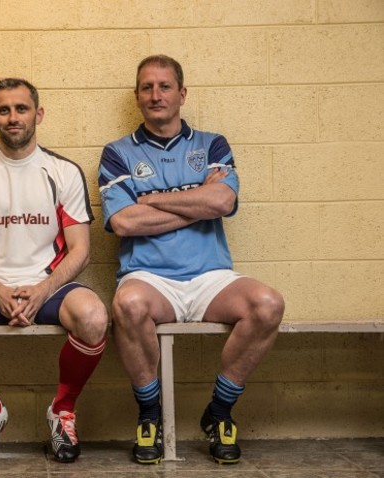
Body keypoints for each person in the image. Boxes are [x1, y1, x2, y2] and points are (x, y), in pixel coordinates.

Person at [97, 55, 285, 465]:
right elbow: (125, 223)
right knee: (126, 305)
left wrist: (156, 199)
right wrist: (196, 200)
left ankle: (218, 413)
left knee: (268, 304)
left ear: (182, 94)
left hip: (210, 277)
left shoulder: (212, 144)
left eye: (164, 86)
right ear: (137, 96)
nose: (155, 95)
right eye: (147, 87)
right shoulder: (117, 153)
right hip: (150, 278)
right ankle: (149, 414)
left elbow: (223, 200)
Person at [0, 78, 108, 464]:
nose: (13, 117)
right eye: (4, 110)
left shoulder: (62, 171)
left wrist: (43, 289)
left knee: (94, 317)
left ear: (38, 114)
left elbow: (81, 250)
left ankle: (62, 412)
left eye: (22, 109)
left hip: (49, 284)